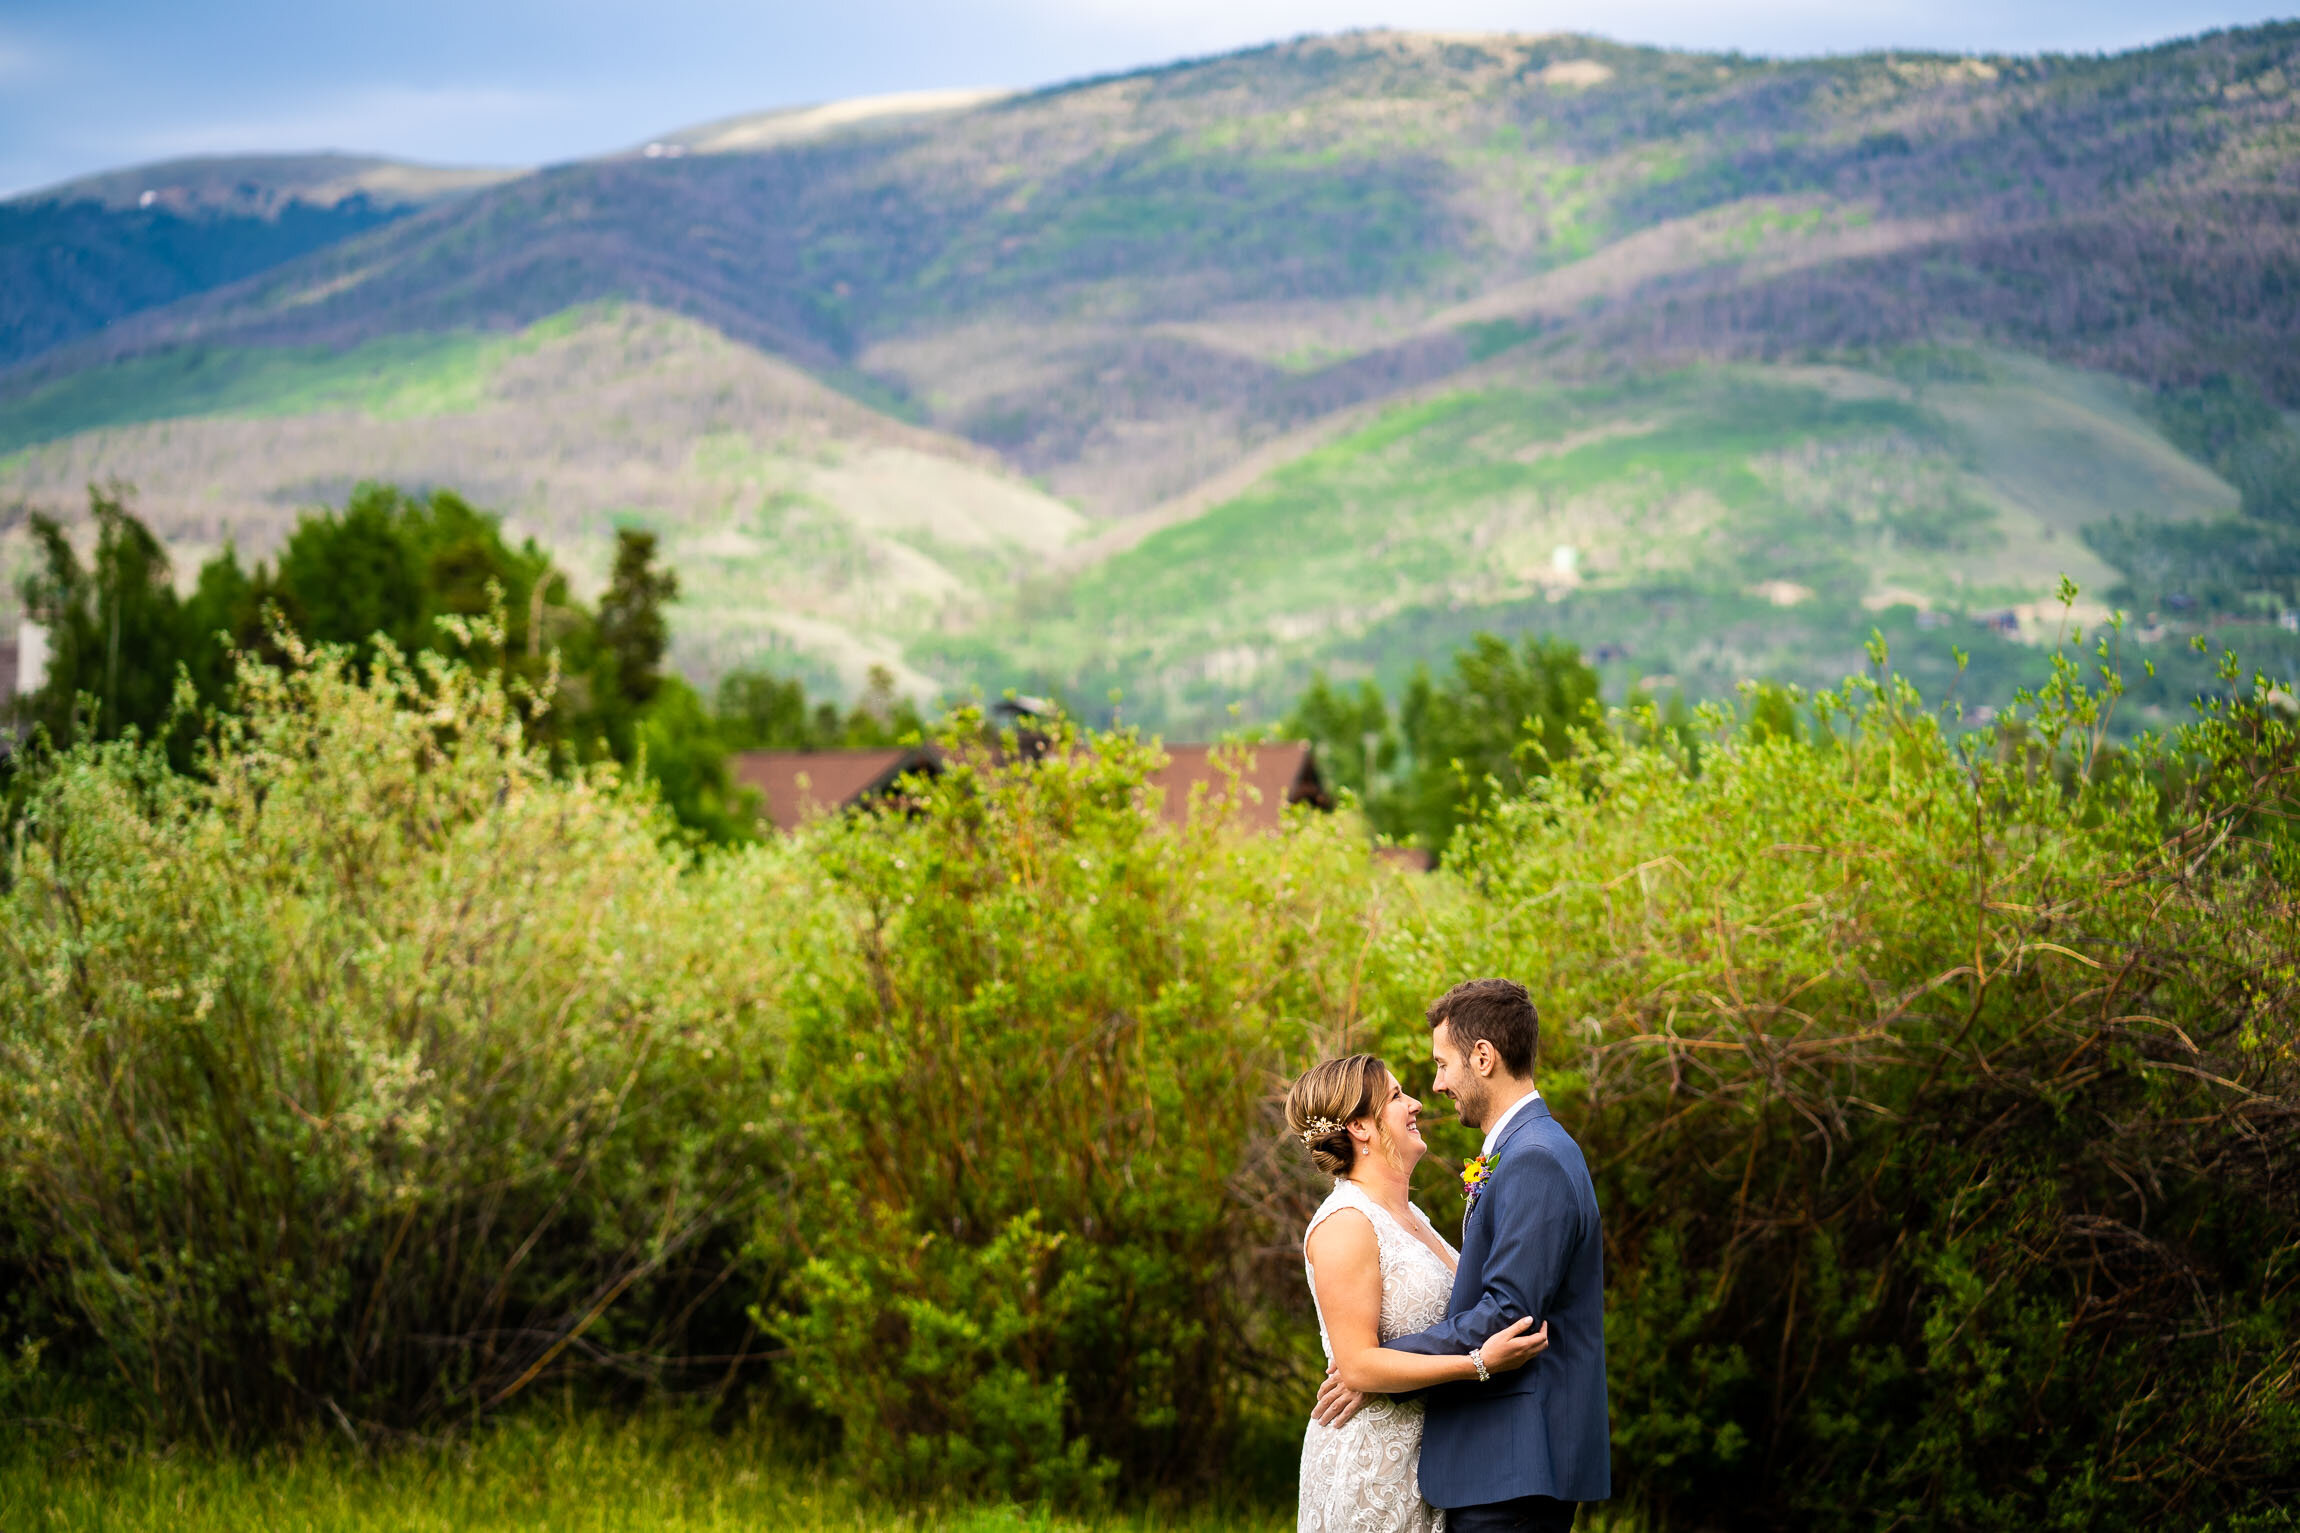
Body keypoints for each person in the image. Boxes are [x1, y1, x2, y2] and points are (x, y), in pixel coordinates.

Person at [1314, 979, 1611, 1533]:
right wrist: (1369, 1364)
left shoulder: (1534, 1158)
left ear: (1483, 1057)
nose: (1437, 1084)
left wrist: (1373, 1367)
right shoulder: (1525, 1150)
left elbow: (1507, 1312)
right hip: (1498, 1463)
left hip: (1515, 1462)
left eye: (1442, 1064)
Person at [1289, 1052, 1549, 1533]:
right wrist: (1479, 1364)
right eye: (1395, 1096)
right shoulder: (1345, 1224)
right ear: (1360, 1127)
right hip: (1371, 1467)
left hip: (1428, 1458)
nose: (1415, 1104)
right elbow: (1358, 1365)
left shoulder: (1414, 1218)